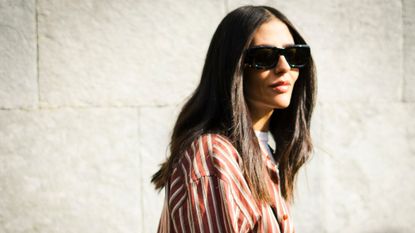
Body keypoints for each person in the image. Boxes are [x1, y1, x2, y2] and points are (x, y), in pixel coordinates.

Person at [151, 5, 316, 233]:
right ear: (233, 67)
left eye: (293, 55)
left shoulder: (262, 152)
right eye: (265, 57)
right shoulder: (213, 157)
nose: (284, 67)